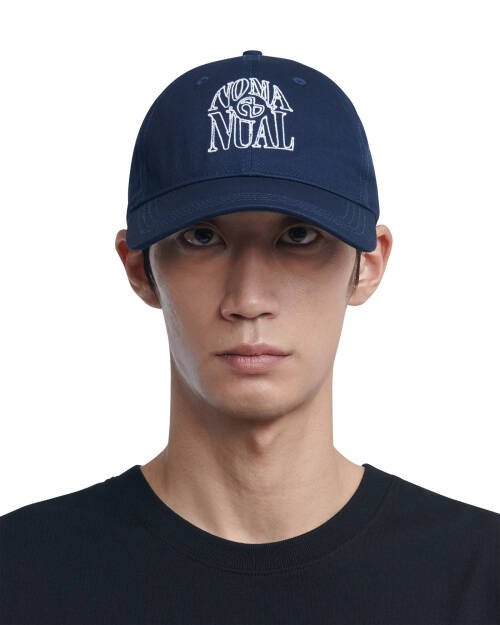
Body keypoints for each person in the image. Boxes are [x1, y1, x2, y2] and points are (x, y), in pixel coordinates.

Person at [1, 50, 498, 625]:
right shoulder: (21, 575)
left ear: (368, 265)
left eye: (300, 236)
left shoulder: (481, 576)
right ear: (140, 268)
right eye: (202, 237)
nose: (249, 298)